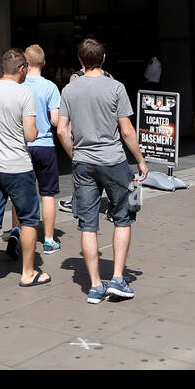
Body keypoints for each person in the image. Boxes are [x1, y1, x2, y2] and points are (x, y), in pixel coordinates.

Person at [58, 38, 149, 303]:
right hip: (114, 161)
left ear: (80, 60)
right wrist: (141, 160)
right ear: (104, 59)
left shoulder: (69, 90)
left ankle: (95, 286)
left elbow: (62, 130)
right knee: (124, 216)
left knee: (88, 224)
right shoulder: (116, 87)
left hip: (83, 164)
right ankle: (119, 279)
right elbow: (127, 130)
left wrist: (75, 155)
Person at [0, 48, 48, 298]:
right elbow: (30, 134)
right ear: (22, 68)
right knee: (28, 220)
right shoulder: (24, 93)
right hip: (18, 168)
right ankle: (28, 273)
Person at [16, 44, 63, 256]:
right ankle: (49, 240)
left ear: (24, 64)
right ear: (43, 63)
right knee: (48, 194)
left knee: (19, 193)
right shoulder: (50, 87)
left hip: (21, 145)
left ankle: (17, 234)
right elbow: (55, 120)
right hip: (44, 145)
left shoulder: (17, 85)